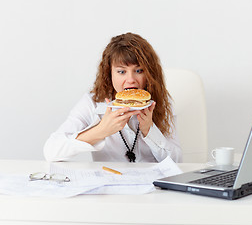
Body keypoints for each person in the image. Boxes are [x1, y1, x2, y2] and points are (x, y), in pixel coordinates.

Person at [44, 33, 182, 162]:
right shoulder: (92, 103)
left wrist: (149, 130)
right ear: (109, 74)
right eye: (121, 71)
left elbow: (177, 161)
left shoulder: (159, 102)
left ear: (149, 73)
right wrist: (101, 130)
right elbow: (51, 151)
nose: (131, 79)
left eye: (139, 71)